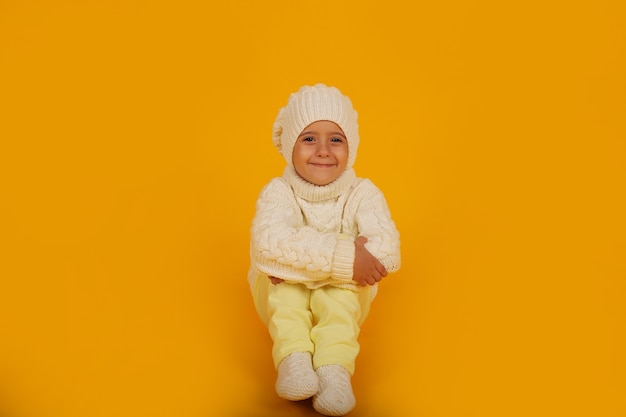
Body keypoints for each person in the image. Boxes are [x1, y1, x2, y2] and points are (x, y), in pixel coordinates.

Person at [248, 84, 401, 416]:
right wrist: (348, 258)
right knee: (286, 288)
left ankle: (334, 371)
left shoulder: (364, 194)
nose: (322, 150)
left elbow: (387, 253)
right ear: (290, 146)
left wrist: (297, 260)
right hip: (280, 292)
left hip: (342, 294)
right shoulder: (279, 191)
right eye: (308, 138)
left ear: (351, 147)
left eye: (336, 139)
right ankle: (295, 359)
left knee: (338, 297)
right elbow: (266, 245)